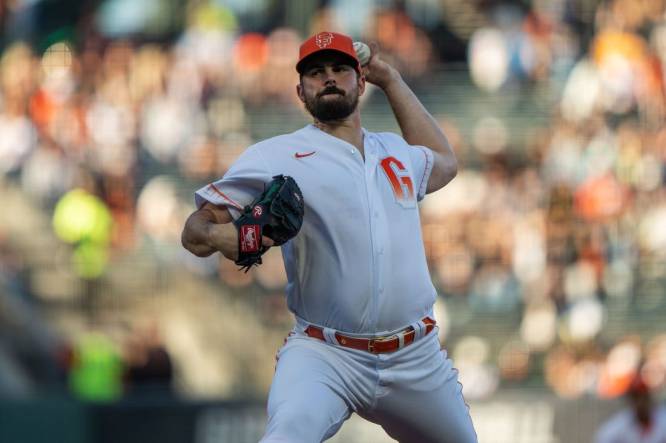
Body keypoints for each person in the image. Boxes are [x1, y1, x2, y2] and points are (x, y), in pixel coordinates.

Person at [182, 31, 477, 443]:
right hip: (325, 353)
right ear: (300, 91)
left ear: (360, 80)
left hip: (416, 356)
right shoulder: (276, 155)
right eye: (316, 73)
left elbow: (445, 162)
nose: (329, 78)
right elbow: (193, 232)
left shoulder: (395, 152)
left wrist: (390, 78)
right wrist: (220, 235)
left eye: (340, 69)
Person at [594, 375, 666, 443]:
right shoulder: (621, 423)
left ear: (649, 396)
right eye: (636, 397)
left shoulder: (662, 417)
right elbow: (602, 437)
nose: (640, 402)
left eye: (643, 396)